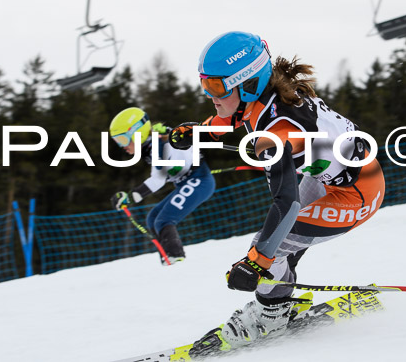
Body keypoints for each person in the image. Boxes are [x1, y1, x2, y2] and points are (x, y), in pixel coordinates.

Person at [169, 31, 385, 346]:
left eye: (215, 85)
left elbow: (286, 202)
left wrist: (256, 262)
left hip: (358, 193)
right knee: (277, 248)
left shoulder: (277, 134)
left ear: (247, 84)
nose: (208, 94)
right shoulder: (265, 98)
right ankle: (280, 300)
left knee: (268, 245)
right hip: (333, 177)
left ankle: (273, 315)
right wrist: (199, 131)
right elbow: (237, 118)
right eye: (204, 83)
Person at [109, 107, 216, 264]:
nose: (122, 146)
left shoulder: (158, 144)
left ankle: (176, 258)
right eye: (118, 142)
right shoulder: (154, 143)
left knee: (163, 220)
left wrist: (129, 198)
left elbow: (158, 180)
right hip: (188, 182)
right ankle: (168, 259)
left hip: (199, 181)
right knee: (152, 218)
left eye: (123, 140)